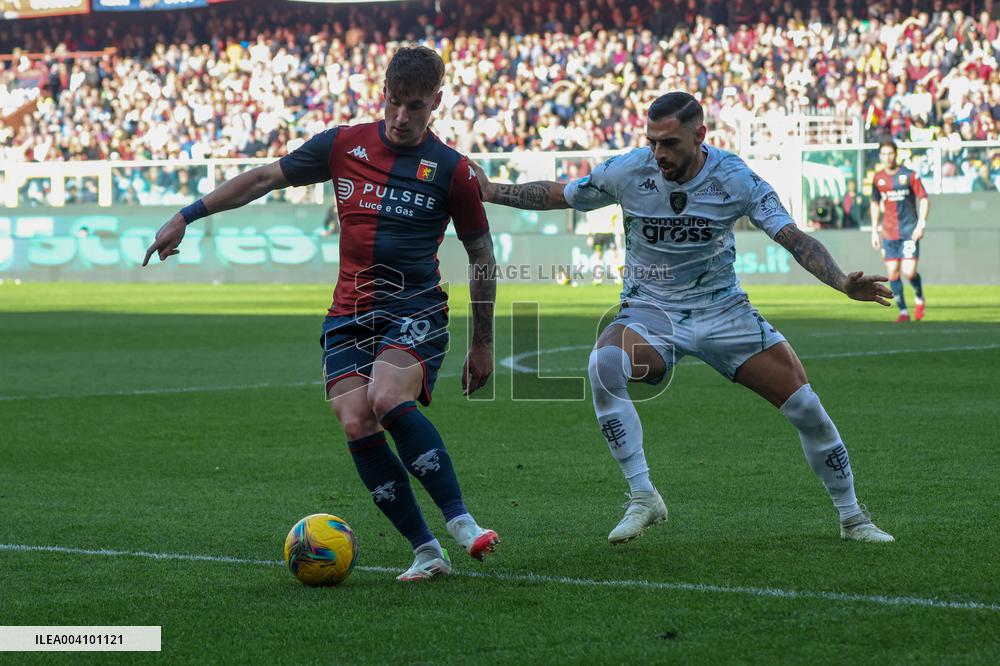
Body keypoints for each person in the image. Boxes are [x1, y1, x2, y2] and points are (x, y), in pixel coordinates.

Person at [472, 92, 895, 545]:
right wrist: (493, 190)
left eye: (670, 143)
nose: (659, 153)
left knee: (807, 407)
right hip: (650, 312)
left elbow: (792, 237)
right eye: (652, 141)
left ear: (700, 136)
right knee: (603, 365)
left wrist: (842, 283)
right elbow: (564, 195)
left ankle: (853, 519)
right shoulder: (628, 170)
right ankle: (643, 496)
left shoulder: (734, 178)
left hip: (724, 312)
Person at [143, 46, 500, 582]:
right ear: (383, 93)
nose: (402, 118)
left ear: (438, 104)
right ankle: (426, 550)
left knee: (386, 396)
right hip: (349, 314)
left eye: (416, 107)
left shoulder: (454, 172)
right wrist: (186, 215)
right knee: (356, 420)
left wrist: (482, 342)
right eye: (395, 103)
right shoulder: (343, 144)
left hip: (414, 307)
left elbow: (481, 256)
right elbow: (264, 178)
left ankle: (461, 522)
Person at [869, 140, 930, 322]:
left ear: (896, 154)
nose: (887, 157)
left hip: (909, 230)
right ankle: (903, 311)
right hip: (889, 233)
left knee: (909, 272)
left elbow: (924, 199)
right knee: (893, 274)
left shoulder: (910, 175)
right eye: (884, 154)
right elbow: (874, 203)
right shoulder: (877, 178)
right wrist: (873, 230)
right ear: (880, 156)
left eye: (890, 153)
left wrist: (921, 224)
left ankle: (919, 297)